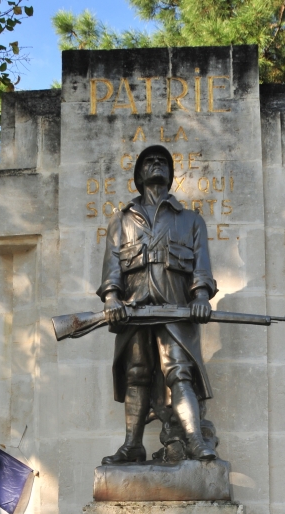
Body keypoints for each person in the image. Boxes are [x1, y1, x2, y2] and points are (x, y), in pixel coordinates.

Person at [98, 145, 219, 464]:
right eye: (150, 161)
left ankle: (194, 440)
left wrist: (202, 295)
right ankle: (132, 444)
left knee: (179, 372)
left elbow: (202, 266)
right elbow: (112, 266)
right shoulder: (121, 221)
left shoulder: (191, 220)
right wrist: (111, 297)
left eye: (163, 162)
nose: (157, 165)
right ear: (139, 175)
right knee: (136, 373)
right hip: (133, 311)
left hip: (175, 310)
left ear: (170, 173)